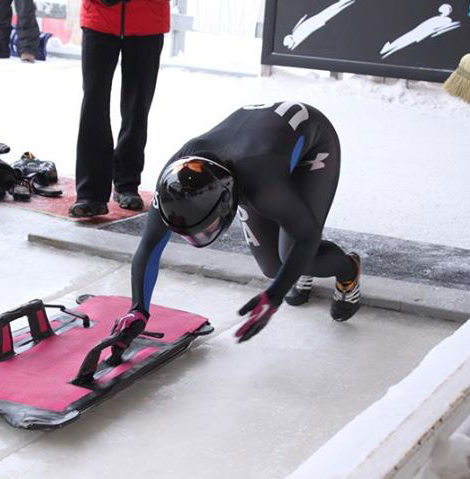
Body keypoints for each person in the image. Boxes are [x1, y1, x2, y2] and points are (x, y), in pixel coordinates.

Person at [109, 102, 362, 353]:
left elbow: (308, 237)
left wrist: (275, 294)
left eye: (207, 227)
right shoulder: (173, 181)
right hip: (259, 151)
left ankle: (348, 269)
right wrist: (138, 310)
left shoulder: (264, 189)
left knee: (292, 252)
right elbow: (150, 245)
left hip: (311, 145)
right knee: (273, 267)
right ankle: (302, 266)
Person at [69, 0, 169, 218]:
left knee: (137, 107)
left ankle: (127, 184)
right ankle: (90, 194)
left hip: (148, 20)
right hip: (99, 17)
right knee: (94, 105)